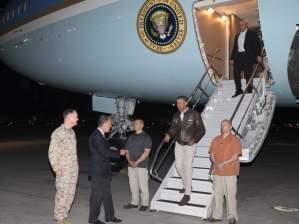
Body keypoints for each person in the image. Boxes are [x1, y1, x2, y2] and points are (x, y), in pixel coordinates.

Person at [164, 96, 205, 205]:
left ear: (186, 103)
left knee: (187, 167)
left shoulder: (194, 114)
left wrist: (194, 139)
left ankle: (187, 193)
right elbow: (173, 128)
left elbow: (201, 129)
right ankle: (187, 184)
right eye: (177, 103)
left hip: (190, 145)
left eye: (180, 103)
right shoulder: (176, 115)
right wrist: (168, 135)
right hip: (179, 143)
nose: (178, 105)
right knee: (178, 166)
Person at [205, 120, 242, 224]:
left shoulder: (235, 140)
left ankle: (232, 217)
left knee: (230, 195)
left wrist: (223, 163)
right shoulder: (216, 139)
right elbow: (211, 154)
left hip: (230, 172)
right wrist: (217, 164)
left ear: (230, 127)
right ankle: (217, 216)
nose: (223, 127)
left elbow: (235, 156)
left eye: (225, 125)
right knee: (218, 194)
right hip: (217, 172)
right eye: (221, 125)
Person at [88, 115, 122, 224]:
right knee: (96, 197)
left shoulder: (101, 135)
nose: (111, 126)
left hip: (104, 171)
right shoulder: (96, 136)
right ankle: (93, 220)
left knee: (107, 195)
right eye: (110, 124)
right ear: (104, 123)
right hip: (98, 171)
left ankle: (110, 216)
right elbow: (105, 152)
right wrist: (119, 153)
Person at [48, 109, 79, 224]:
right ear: (69, 117)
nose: (77, 119)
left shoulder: (72, 132)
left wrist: (76, 167)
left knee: (70, 194)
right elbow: (52, 152)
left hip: (73, 170)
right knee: (62, 194)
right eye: (76, 116)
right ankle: (59, 218)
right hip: (63, 170)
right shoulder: (58, 133)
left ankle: (64, 215)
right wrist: (56, 168)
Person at [121, 119, 152, 211]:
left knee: (143, 186)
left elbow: (147, 152)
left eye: (137, 124)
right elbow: (126, 150)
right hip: (131, 165)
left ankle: (144, 204)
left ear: (142, 125)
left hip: (142, 165)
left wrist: (137, 162)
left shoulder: (146, 137)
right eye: (134, 123)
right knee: (133, 185)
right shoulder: (131, 137)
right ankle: (134, 202)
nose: (135, 125)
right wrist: (130, 161)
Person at [231, 19, 262, 97]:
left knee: (248, 74)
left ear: (246, 25)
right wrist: (232, 58)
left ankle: (249, 90)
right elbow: (235, 47)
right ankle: (238, 90)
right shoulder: (237, 35)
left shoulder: (252, 34)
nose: (240, 26)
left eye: (242, 25)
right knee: (236, 73)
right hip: (238, 57)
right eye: (240, 25)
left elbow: (257, 45)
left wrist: (258, 55)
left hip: (248, 56)